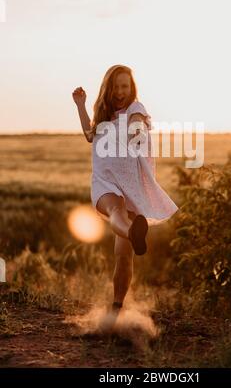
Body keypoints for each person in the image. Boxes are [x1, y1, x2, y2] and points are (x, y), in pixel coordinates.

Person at [72, 64, 179, 312]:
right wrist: (80, 105)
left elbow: (137, 123)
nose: (121, 91)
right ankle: (132, 231)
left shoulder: (135, 108)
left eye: (125, 86)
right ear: (109, 88)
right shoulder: (104, 114)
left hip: (130, 185)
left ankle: (116, 307)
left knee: (123, 255)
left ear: (131, 88)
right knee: (116, 211)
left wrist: (135, 133)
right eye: (117, 86)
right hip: (104, 180)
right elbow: (90, 134)